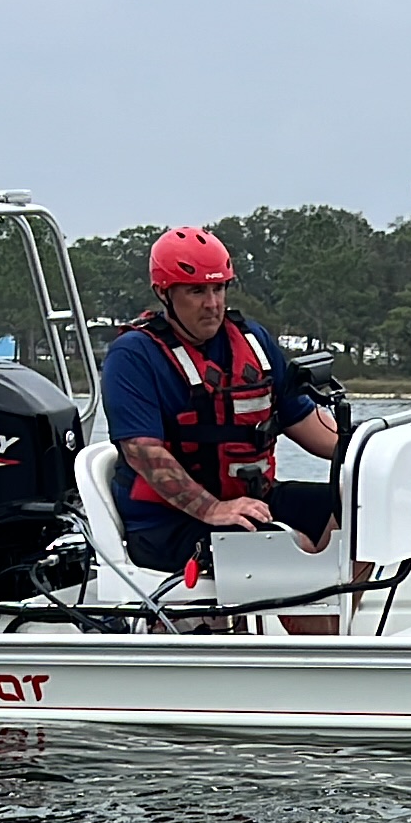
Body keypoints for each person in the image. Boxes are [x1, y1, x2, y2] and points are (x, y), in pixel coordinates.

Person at [100, 226, 344, 573]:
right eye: (197, 291)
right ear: (164, 293)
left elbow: (302, 419)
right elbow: (144, 453)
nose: (212, 304)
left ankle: (330, 614)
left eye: (218, 288)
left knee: (362, 510)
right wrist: (213, 509)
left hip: (253, 499)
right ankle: (312, 615)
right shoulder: (133, 356)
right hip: (166, 524)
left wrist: (367, 453)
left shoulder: (253, 340)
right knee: (288, 550)